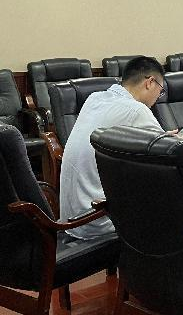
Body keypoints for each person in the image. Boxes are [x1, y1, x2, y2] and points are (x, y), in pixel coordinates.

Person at [59, 56, 168, 240]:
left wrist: (162, 139)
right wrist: (173, 141)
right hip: (99, 219)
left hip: (72, 217)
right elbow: (170, 154)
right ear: (150, 82)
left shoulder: (94, 98)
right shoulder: (137, 110)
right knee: (171, 197)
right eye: (161, 90)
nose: (159, 97)